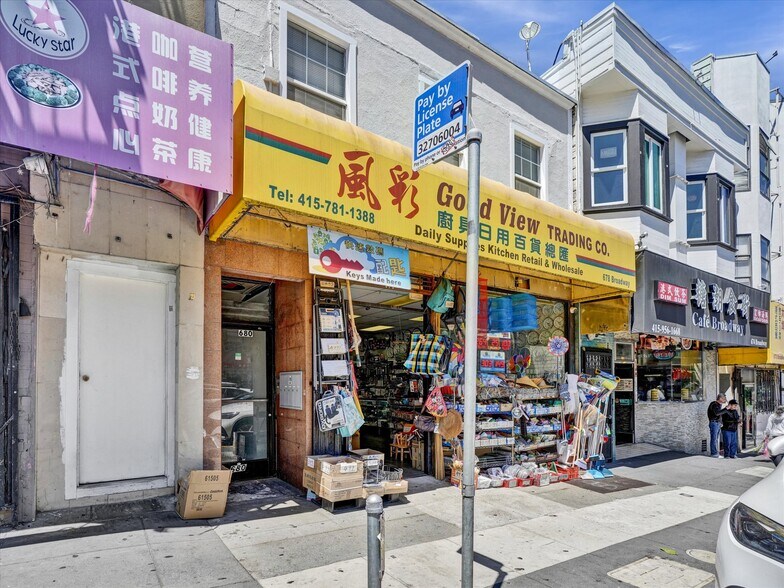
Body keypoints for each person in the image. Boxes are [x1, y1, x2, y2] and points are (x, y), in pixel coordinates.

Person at [707, 393, 728, 458]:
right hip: (714, 423)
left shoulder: (719, 405)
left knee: (716, 439)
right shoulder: (714, 404)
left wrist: (721, 423)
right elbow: (717, 413)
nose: (725, 400)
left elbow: (719, 415)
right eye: (724, 398)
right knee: (714, 438)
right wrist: (726, 408)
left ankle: (716, 453)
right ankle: (714, 453)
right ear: (720, 398)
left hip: (717, 423)